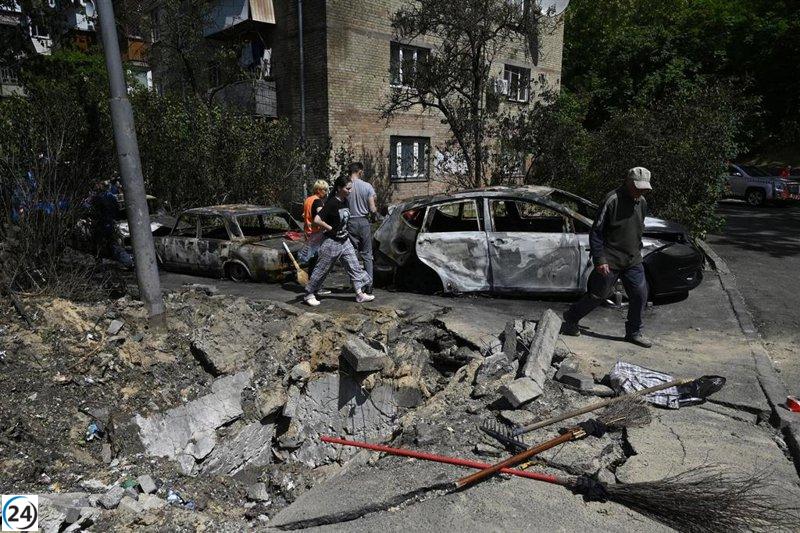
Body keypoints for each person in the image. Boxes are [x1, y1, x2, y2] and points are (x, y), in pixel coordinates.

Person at [562, 167, 653, 348]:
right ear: (628, 181)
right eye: (637, 187)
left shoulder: (641, 202)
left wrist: (637, 250)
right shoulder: (612, 200)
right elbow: (596, 232)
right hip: (610, 259)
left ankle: (634, 332)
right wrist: (600, 259)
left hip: (633, 259)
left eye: (644, 188)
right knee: (597, 295)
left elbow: (638, 227)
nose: (640, 191)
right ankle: (571, 318)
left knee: (640, 295)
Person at [303, 175, 374, 306]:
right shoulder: (331, 203)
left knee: (354, 266)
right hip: (331, 242)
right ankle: (309, 294)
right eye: (348, 189)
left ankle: (359, 294)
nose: (350, 191)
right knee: (322, 269)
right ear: (339, 188)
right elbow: (317, 220)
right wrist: (330, 228)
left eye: (351, 188)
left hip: (344, 240)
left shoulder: (345, 201)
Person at [345, 162, 379, 293]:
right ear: (360, 171)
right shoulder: (367, 186)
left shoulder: (346, 186)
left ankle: (355, 285)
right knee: (367, 255)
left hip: (350, 223)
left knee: (352, 255)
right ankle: (369, 285)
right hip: (364, 223)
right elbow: (372, 208)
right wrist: (376, 215)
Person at [298, 179, 329, 264]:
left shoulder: (308, 199)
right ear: (318, 190)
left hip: (307, 232)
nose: (326, 192)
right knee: (317, 260)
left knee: (311, 259)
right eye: (325, 190)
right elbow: (322, 215)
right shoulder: (318, 201)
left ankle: (310, 276)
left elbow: (304, 215)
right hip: (316, 233)